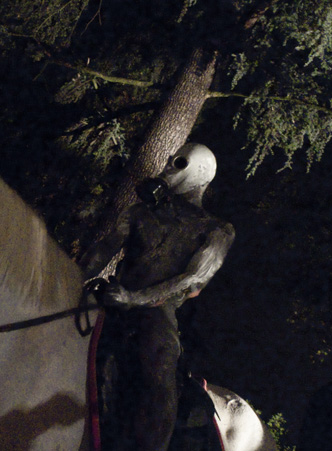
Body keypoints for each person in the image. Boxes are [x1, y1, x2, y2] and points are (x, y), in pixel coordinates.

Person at [80, 143, 235, 451]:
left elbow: (190, 281)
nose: (168, 168)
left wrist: (133, 298)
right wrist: (71, 279)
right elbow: (101, 251)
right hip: (111, 297)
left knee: (159, 362)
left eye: (177, 163)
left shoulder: (217, 230)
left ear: (199, 172)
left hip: (156, 311)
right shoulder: (140, 213)